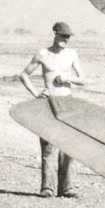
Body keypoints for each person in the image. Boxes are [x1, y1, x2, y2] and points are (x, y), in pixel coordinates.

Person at [17, 22, 87, 198]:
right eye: (62, 36)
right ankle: (47, 188)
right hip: (49, 104)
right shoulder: (43, 54)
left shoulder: (72, 54)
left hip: (67, 103)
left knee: (69, 147)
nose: (65, 39)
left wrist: (67, 78)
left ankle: (67, 188)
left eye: (68, 37)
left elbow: (83, 79)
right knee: (48, 147)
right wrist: (37, 93)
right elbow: (23, 74)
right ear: (55, 34)